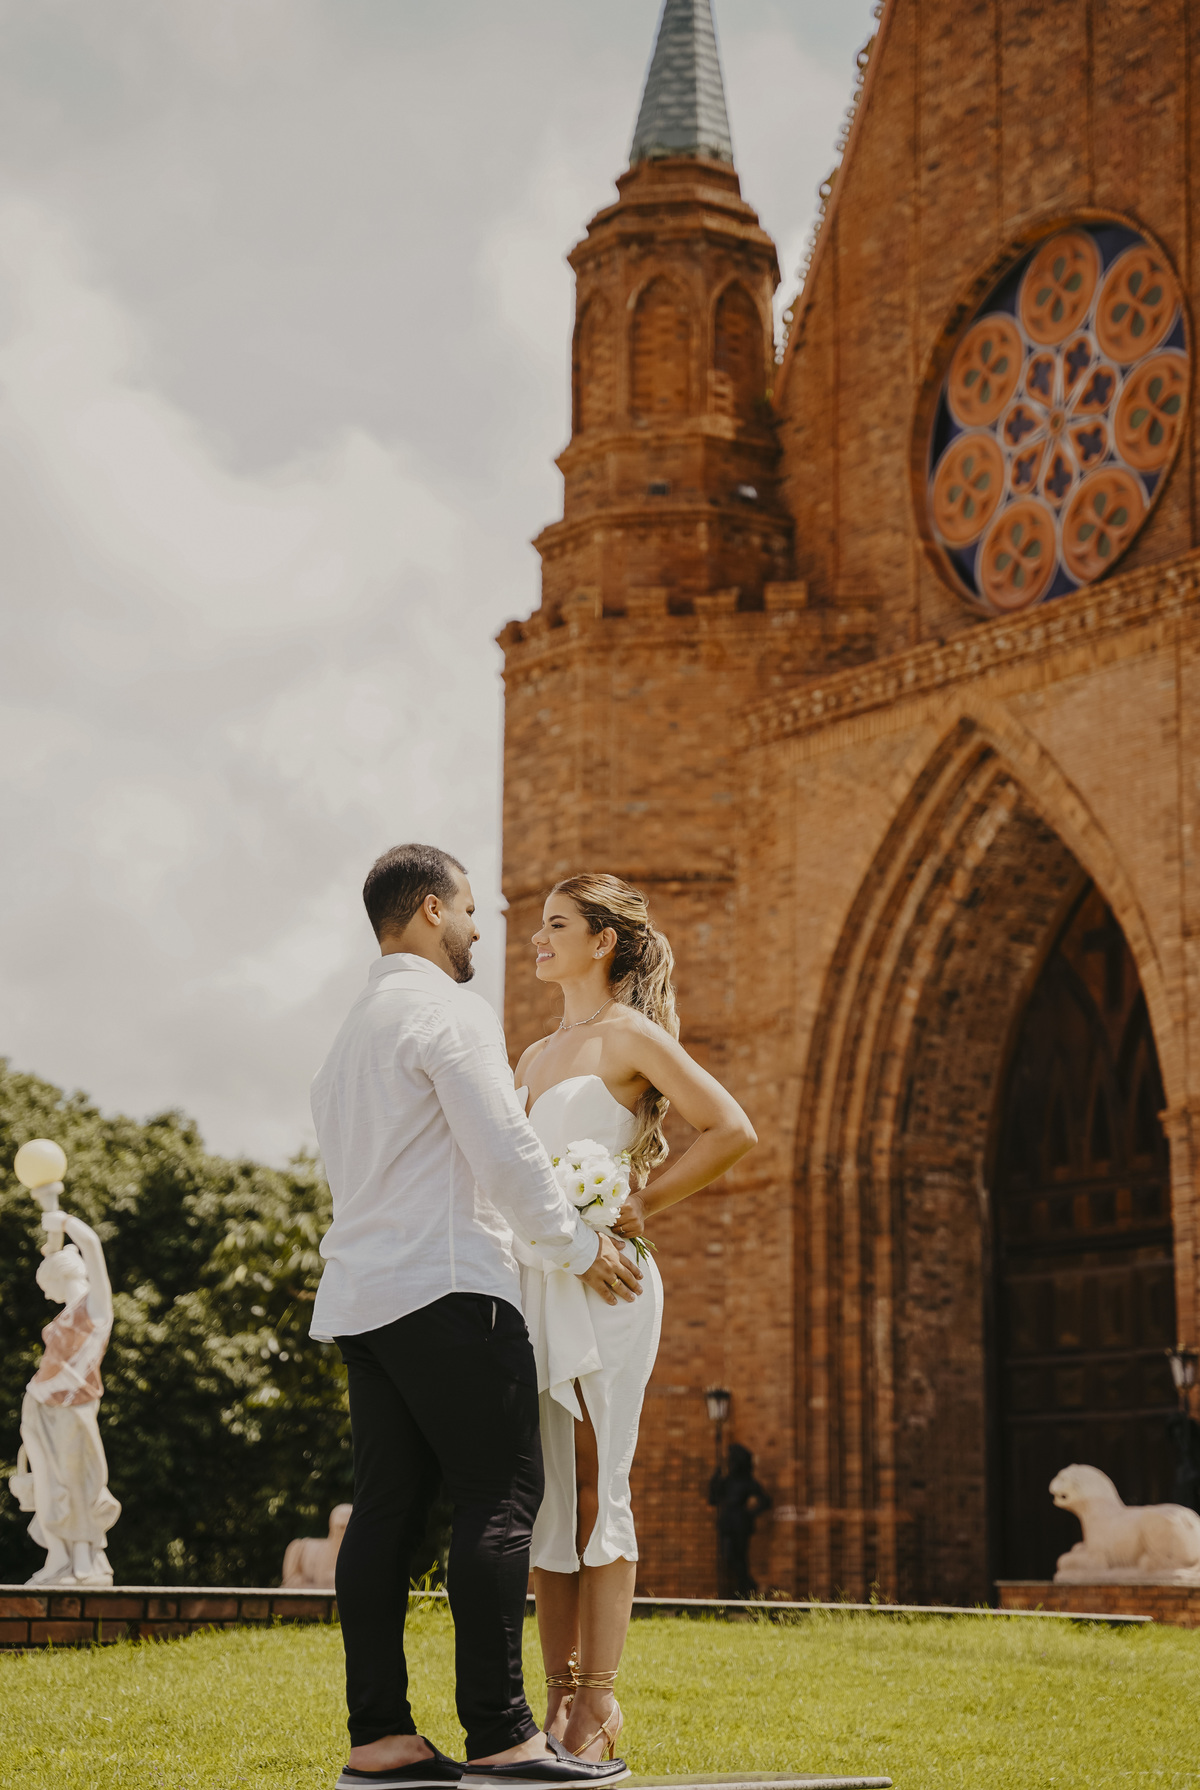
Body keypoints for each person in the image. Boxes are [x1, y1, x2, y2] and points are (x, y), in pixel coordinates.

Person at [310, 843, 641, 1790]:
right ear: (428, 910)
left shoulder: (348, 1039)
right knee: (500, 1499)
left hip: (365, 1305)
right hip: (452, 1289)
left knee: (384, 1514)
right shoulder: (448, 1013)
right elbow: (505, 1154)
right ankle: (503, 1737)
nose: (477, 931)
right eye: (465, 912)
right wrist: (580, 1247)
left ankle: (380, 1738)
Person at [513, 874, 757, 1763]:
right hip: (540, 1280)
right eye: (538, 925)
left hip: (612, 1285)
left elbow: (730, 1129)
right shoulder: (530, 1056)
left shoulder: (631, 1035)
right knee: (546, 1490)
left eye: (556, 925)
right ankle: (555, 1700)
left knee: (598, 1481)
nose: (537, 939)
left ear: (603, 940)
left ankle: (599, 1701)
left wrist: (643, 1201)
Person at [11, 1212, 121, 1588]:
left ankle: (84, 1561)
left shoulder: (96, 1307)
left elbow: (91, 1244)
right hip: (39, 1405)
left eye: (46, 1286)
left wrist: (64, 1221)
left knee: (77, 1482)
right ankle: (58, 1559)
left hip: (73, 1408)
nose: (46, 1295)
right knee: (47, 1483)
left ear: (60, 1276)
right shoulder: (66, 1314)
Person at [708, 1444, 772, 1598]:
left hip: (740, 1523)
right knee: (728, 1556)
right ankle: (741, 1587)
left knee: (739, 1557)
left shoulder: (747, 1482)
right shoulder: (728, 1481)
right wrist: (715, 1480)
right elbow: (713, 1499)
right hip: (727, 1522)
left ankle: (745, 1588)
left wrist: (750, 1514)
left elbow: (766, 1501)